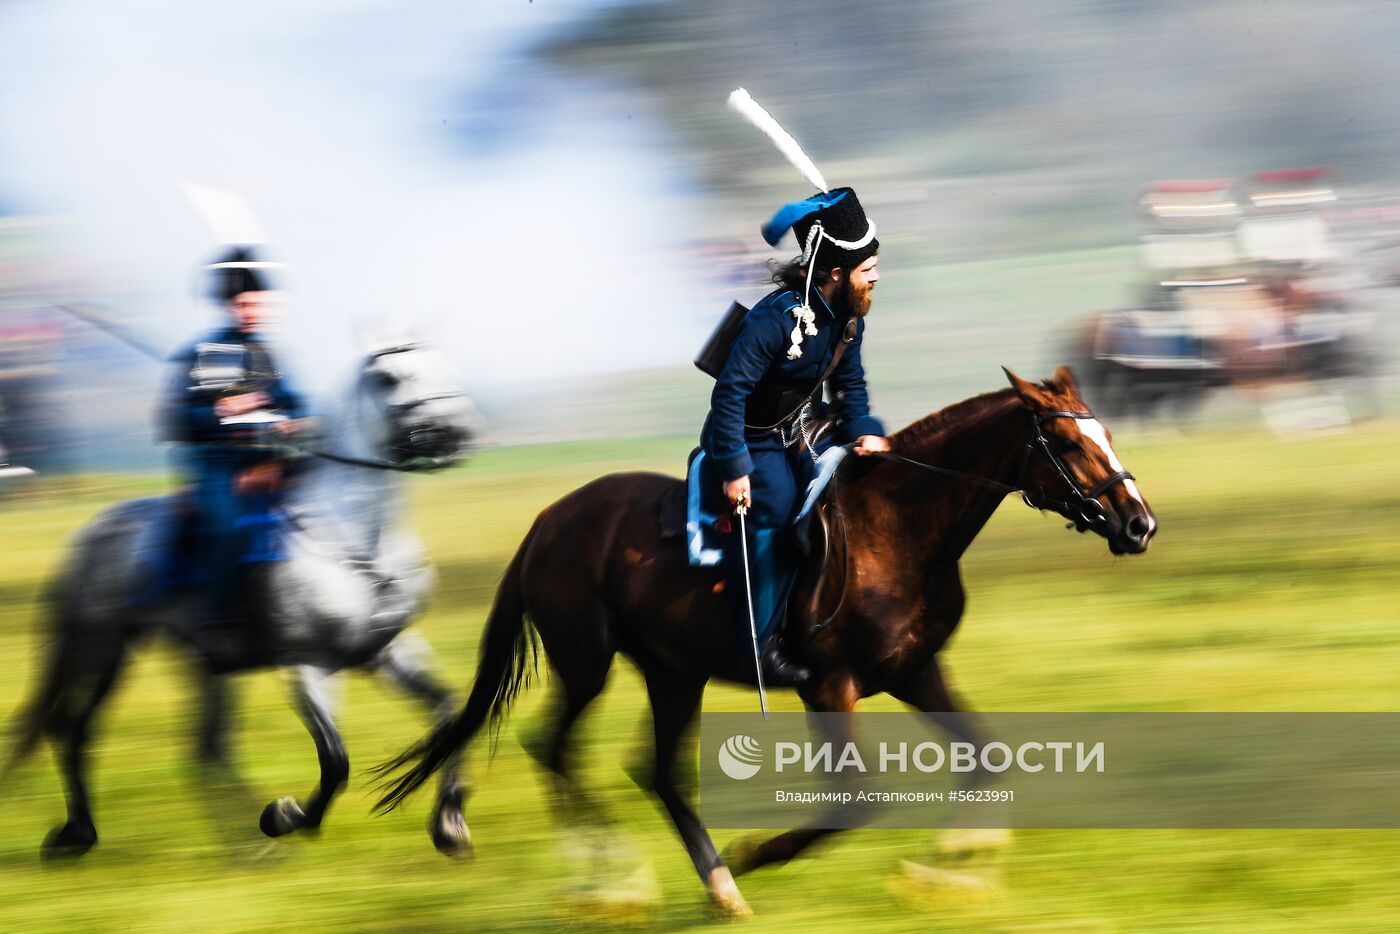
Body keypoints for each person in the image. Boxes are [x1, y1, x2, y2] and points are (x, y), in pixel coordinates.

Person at [700, 186, 891, 686]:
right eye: (866, 267)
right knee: (782, 512)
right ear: (835, 273)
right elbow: (728, 397)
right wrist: (735, 467)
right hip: (749, 439)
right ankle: (760, 645)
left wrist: (864, 430)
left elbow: (850, 384)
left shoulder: (849, 318)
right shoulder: (772, 320)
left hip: (804, 431)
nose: (875, 274)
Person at [160, 245, 308, 667]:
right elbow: (179, 420)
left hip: (271, 464)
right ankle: (215, 620)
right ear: (229, 305)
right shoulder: (204, 353)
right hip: (217, 466)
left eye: (258, 303)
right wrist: (223, 408)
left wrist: (293, 423)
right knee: (226, 529)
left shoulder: (270, 355)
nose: (251, 310)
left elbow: (295, 405)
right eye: (243, 303)